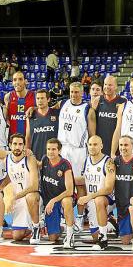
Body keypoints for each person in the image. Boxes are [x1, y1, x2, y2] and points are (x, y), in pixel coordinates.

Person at [55, 82, 96, 231]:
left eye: (77, 92)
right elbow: (46, 108)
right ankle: (63, 216)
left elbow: (92, 135)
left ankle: (79, 216)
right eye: (72, 92)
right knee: (61, 183)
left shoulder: (88, 110)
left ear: (82, 93)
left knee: (79, 184)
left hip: (78, 150)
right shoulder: (63, 103)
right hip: (63, 149)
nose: (74, 94)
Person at [76, 136, 116, 249]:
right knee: (94, 236)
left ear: (101, 146)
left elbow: (109, 188)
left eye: (95, 144)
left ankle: (103, 239)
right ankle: (110, 223)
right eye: (90, 144)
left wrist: (89, 197)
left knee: (99, 200)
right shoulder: (86, 160)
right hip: (92, 200)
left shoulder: (108, 162)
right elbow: (83, 180)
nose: (92, 147)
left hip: (107, 200)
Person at [2, 133, 40, 244]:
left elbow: (34, 186)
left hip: (33, 197)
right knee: (17, 236)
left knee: (31, 196)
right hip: (18, 199)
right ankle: (39, 225)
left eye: (20, 144)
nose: (17, 147)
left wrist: (13, 198)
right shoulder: (7, 159)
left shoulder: (30, 159)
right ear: (10, 145)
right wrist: (0, 186)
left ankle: (36, 227)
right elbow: (10, 175)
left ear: (24, 146)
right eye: (15, 144)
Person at [39, 138, 75, 248]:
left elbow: (70, 191)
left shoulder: (65, 164)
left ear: (59, 150)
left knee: (67, 201)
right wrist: (28, 155)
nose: (50, 152)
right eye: (48, 149)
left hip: (62, 198)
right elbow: (35, 164)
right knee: (53, 237)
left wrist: (53, 200)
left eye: (53, 149)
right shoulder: (45, 160)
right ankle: (61, 226)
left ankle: (70, 234)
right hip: (50, 201)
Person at [113, 135, 133, 245]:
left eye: (126, 145)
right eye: (121, 145)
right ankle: (113, 221)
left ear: (132, 146)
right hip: (121, 203)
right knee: (125, 240)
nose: (123, 147)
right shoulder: (114, 162)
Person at [91, 76, 126, 156]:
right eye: (105, 84)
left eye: (110, 85)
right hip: (100, 145)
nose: (107, 87)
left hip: (116, 146)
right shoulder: (97, 100)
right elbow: (91, 123)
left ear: (116, 86)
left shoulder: (123, 102)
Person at [25, 89, 59, 160]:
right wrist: (27, 154)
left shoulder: (57, 113)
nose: (40, 101)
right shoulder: (30, 116)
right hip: (35, 156)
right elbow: (28, 138)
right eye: (38, 98)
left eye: (42, 98)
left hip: (53, 157)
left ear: (48, 99)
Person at [4, 71, 36, 136]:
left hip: (31, 139)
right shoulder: (8, 97)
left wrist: (34, 108)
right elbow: (6, 117)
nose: (17, 82)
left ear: (26, 81)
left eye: (20, 79)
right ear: (12, 83)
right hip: (13, 140)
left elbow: (43, 111)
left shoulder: (34, 96)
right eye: (15, 80)